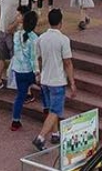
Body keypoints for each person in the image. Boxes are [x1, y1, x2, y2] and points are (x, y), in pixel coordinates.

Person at [33, 9, 75, 152]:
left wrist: (37, 73)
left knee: (51, 108)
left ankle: (55, 133)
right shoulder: (63, 40)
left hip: (45, 79)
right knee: (55, 111)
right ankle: (41, 137)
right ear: (61, 23)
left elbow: (36, 58)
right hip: (58, 81)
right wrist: (72, 82)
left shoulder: (41, 38)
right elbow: (68, 63)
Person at [9, 9, 39, 131]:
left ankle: (15, 121)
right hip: (29, 71)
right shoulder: (34, 38)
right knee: (45, 89)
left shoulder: (17, 35)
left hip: (17, 69)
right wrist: (37, 72)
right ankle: (47, 109)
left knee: (20, 96)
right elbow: (33, 57)